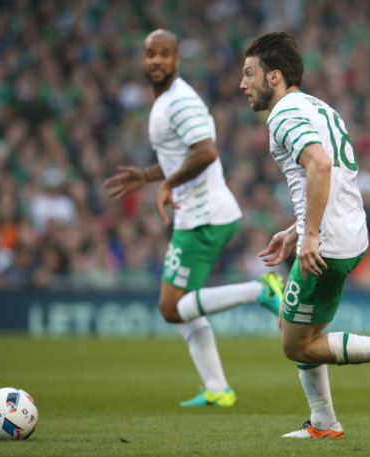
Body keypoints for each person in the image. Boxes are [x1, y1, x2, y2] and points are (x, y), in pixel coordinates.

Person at [240, 31, 370, 438]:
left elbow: (321, 167)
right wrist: (296, 230)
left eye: (249, 73)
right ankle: (324, 422)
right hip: (347, 232)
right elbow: (336, 177)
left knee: (297, 345)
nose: (243, 84)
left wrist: (310, 236)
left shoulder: (284, 115)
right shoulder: (319, 108)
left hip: (326, 242)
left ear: (274, 76)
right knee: (294, 327)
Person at [103, 29, 283, 407]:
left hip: (204, 217)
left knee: (171, 308)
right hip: (199, 215)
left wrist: (166, 183)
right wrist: (149, 176)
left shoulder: (179, 102)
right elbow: (182, 155)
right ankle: (217, 387)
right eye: (149, 54)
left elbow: (206, 153)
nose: (155, 61)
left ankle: (260, 290)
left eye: (164, 54)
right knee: (183, 307)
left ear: (177, 59)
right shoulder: (166, 102)